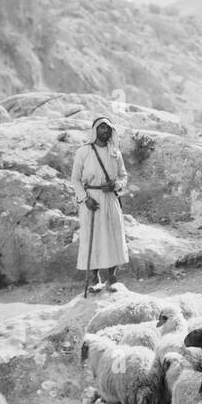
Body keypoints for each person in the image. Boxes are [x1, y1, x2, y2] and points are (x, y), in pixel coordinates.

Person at [70, 116, 129, 293]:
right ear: (95, 130)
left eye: (108, 128)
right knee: (92, 237)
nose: (105, 131)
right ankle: (94, 279)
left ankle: (112, 278)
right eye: (102, 128)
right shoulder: (84, 152)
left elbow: (123, 176)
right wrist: (84, 198)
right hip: (91, 200)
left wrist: (115, 185)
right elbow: (75, 178)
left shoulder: (115, 152)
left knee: (113, 235)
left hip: (110, 198)